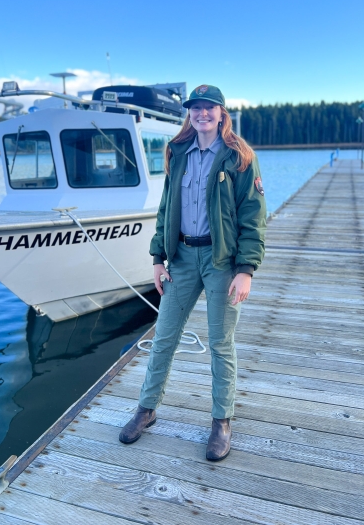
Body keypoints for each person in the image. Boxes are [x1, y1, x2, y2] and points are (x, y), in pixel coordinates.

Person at [119, 84, 266, 461]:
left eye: (209, 108)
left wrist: (245, 268)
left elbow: (253, 217)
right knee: (164, 336)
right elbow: (166, 208)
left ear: (221, 113)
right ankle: (147, 409)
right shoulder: (177, 152)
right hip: (182, 258)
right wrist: (157, 258)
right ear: (190, 113)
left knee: (220, 343)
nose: (202, 114)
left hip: (221, 262)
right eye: (195, 108)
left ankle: (221, 421)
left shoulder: (240, 157)